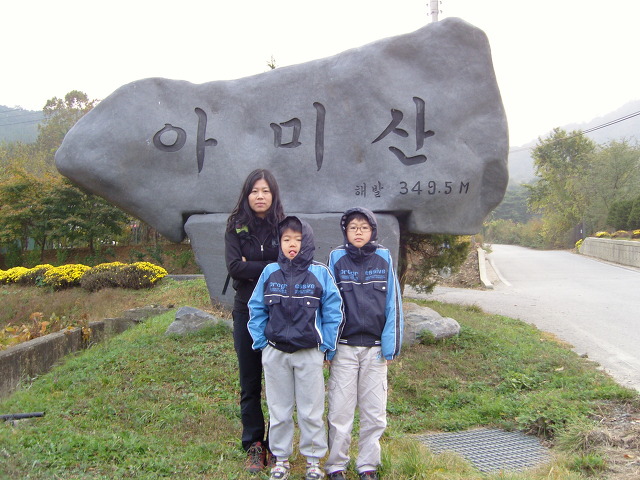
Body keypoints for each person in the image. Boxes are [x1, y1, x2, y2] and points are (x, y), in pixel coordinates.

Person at [248, 216, 344, 480]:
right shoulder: (269, 272)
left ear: (307, 242)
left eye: (298, 240)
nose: (292, 244)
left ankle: (313, 461)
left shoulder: (320, 273)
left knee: (311, 410)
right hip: (275, 353)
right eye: (286, 239)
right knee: (279, 410)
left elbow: (333, 311)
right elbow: (256, 308)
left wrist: (326, 346)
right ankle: (280, 459)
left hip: (309, 353)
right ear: (279, 243)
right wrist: (262, 343)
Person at [325, 207, 404, 480]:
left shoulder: (384, 257)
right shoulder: (336, 257)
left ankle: (367, 466)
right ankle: (336, 466)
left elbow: (393, 301)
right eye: (353, 227)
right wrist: (328, 346)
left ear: (372, 231)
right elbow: (328, 304)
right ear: (345, 231)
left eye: (364, 227)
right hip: (344, 348)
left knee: (374, 413)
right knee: (340, 411)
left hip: (375, 349)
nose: (358, 232)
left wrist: (391, 344)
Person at [225, 168, 285, 473]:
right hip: (246, 311)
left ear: (273, 195)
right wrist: (270, 265)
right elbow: (235, 267)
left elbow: (289, 264)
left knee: (278, 381)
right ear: (247, 195)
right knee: (249, 382)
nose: (260, 196)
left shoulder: (284, 227)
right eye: (254, 191)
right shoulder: (235, 226)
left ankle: (276, 445)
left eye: (265, 191)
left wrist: (254, 265)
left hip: (279, 312)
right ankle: (253, 445)